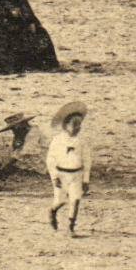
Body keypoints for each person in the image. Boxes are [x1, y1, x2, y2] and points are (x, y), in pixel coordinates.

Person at [45, 101, 93, 236]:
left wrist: (86, 179)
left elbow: (87, 160)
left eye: (79, 125)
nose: (77, 128)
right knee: (60, 200)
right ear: (65, 125)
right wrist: (54, 177)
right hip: (61, 174)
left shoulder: (82, 141)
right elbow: (50, 160)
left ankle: (71, 227)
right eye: (74, 125)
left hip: (76, 174)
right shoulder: (57, 140)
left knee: (76, 199)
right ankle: (53, 211)